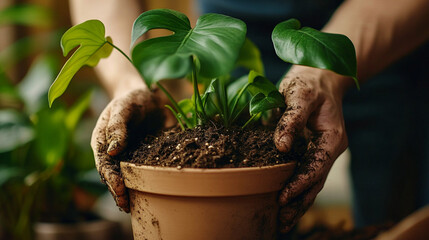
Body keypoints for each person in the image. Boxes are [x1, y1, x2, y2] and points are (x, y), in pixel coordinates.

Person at [69, 0, 429, 233]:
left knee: (392, 217)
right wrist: (131, 80)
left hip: (382, 35)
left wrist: (324, 74)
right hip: (230, 29)